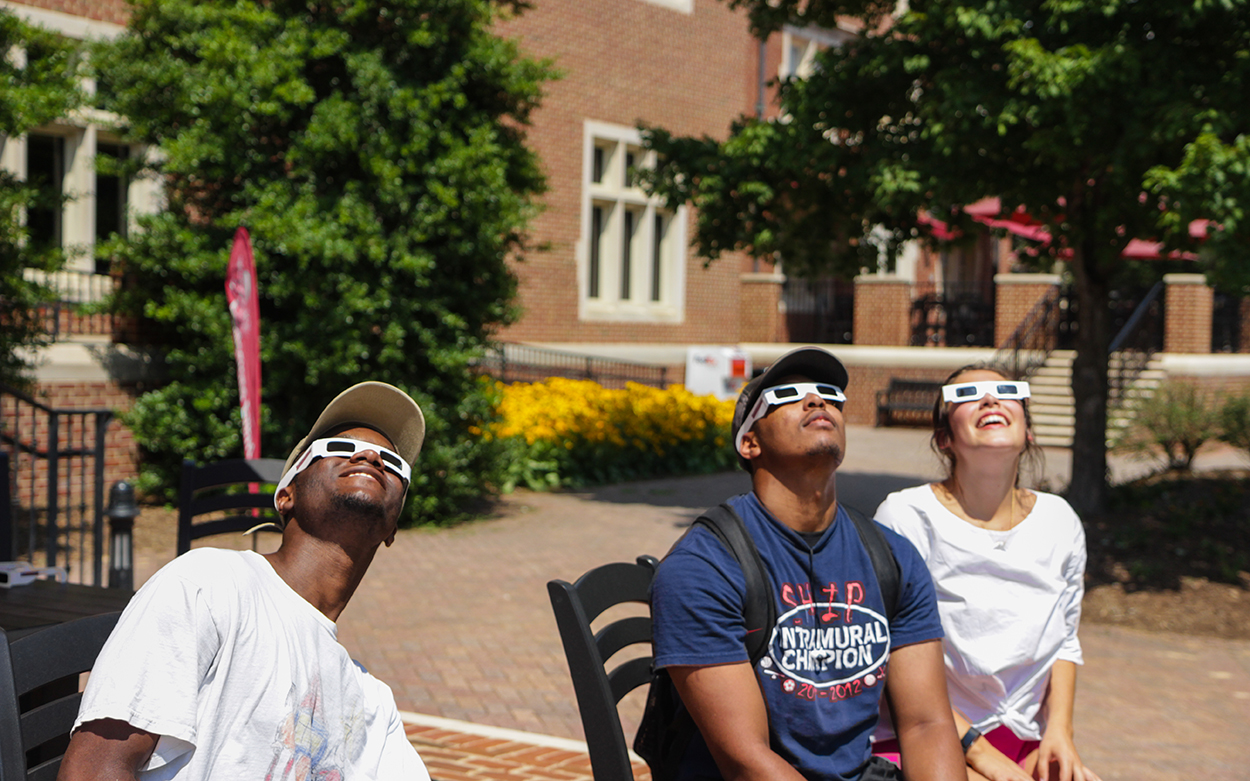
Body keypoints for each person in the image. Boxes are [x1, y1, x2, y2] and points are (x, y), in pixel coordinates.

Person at [59, 382, 431, 781]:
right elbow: (94, 771)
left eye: (394, 464)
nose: (373, 457)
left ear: (392, 528)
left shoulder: (372, 704)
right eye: (339, 449)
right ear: (287, 494)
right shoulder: (208, 586)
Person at [650, 346, 966, 781]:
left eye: (829, 394)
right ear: (750, 442)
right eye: (788, 395)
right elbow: (746, 760)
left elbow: (926, 724)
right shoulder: (704, 567)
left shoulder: (891, 556)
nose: (817, 401)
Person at [871, 365, 1099, 781]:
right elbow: (887, 653)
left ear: (1028, 431)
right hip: (923, 736)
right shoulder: (905, 516)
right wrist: (982, 757)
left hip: (1025, 737)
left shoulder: (1060, 519)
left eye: (1006, 391)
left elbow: (1065, 641)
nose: (990, 399)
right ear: (945, 438)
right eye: (969, 394)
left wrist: (1061, 735)